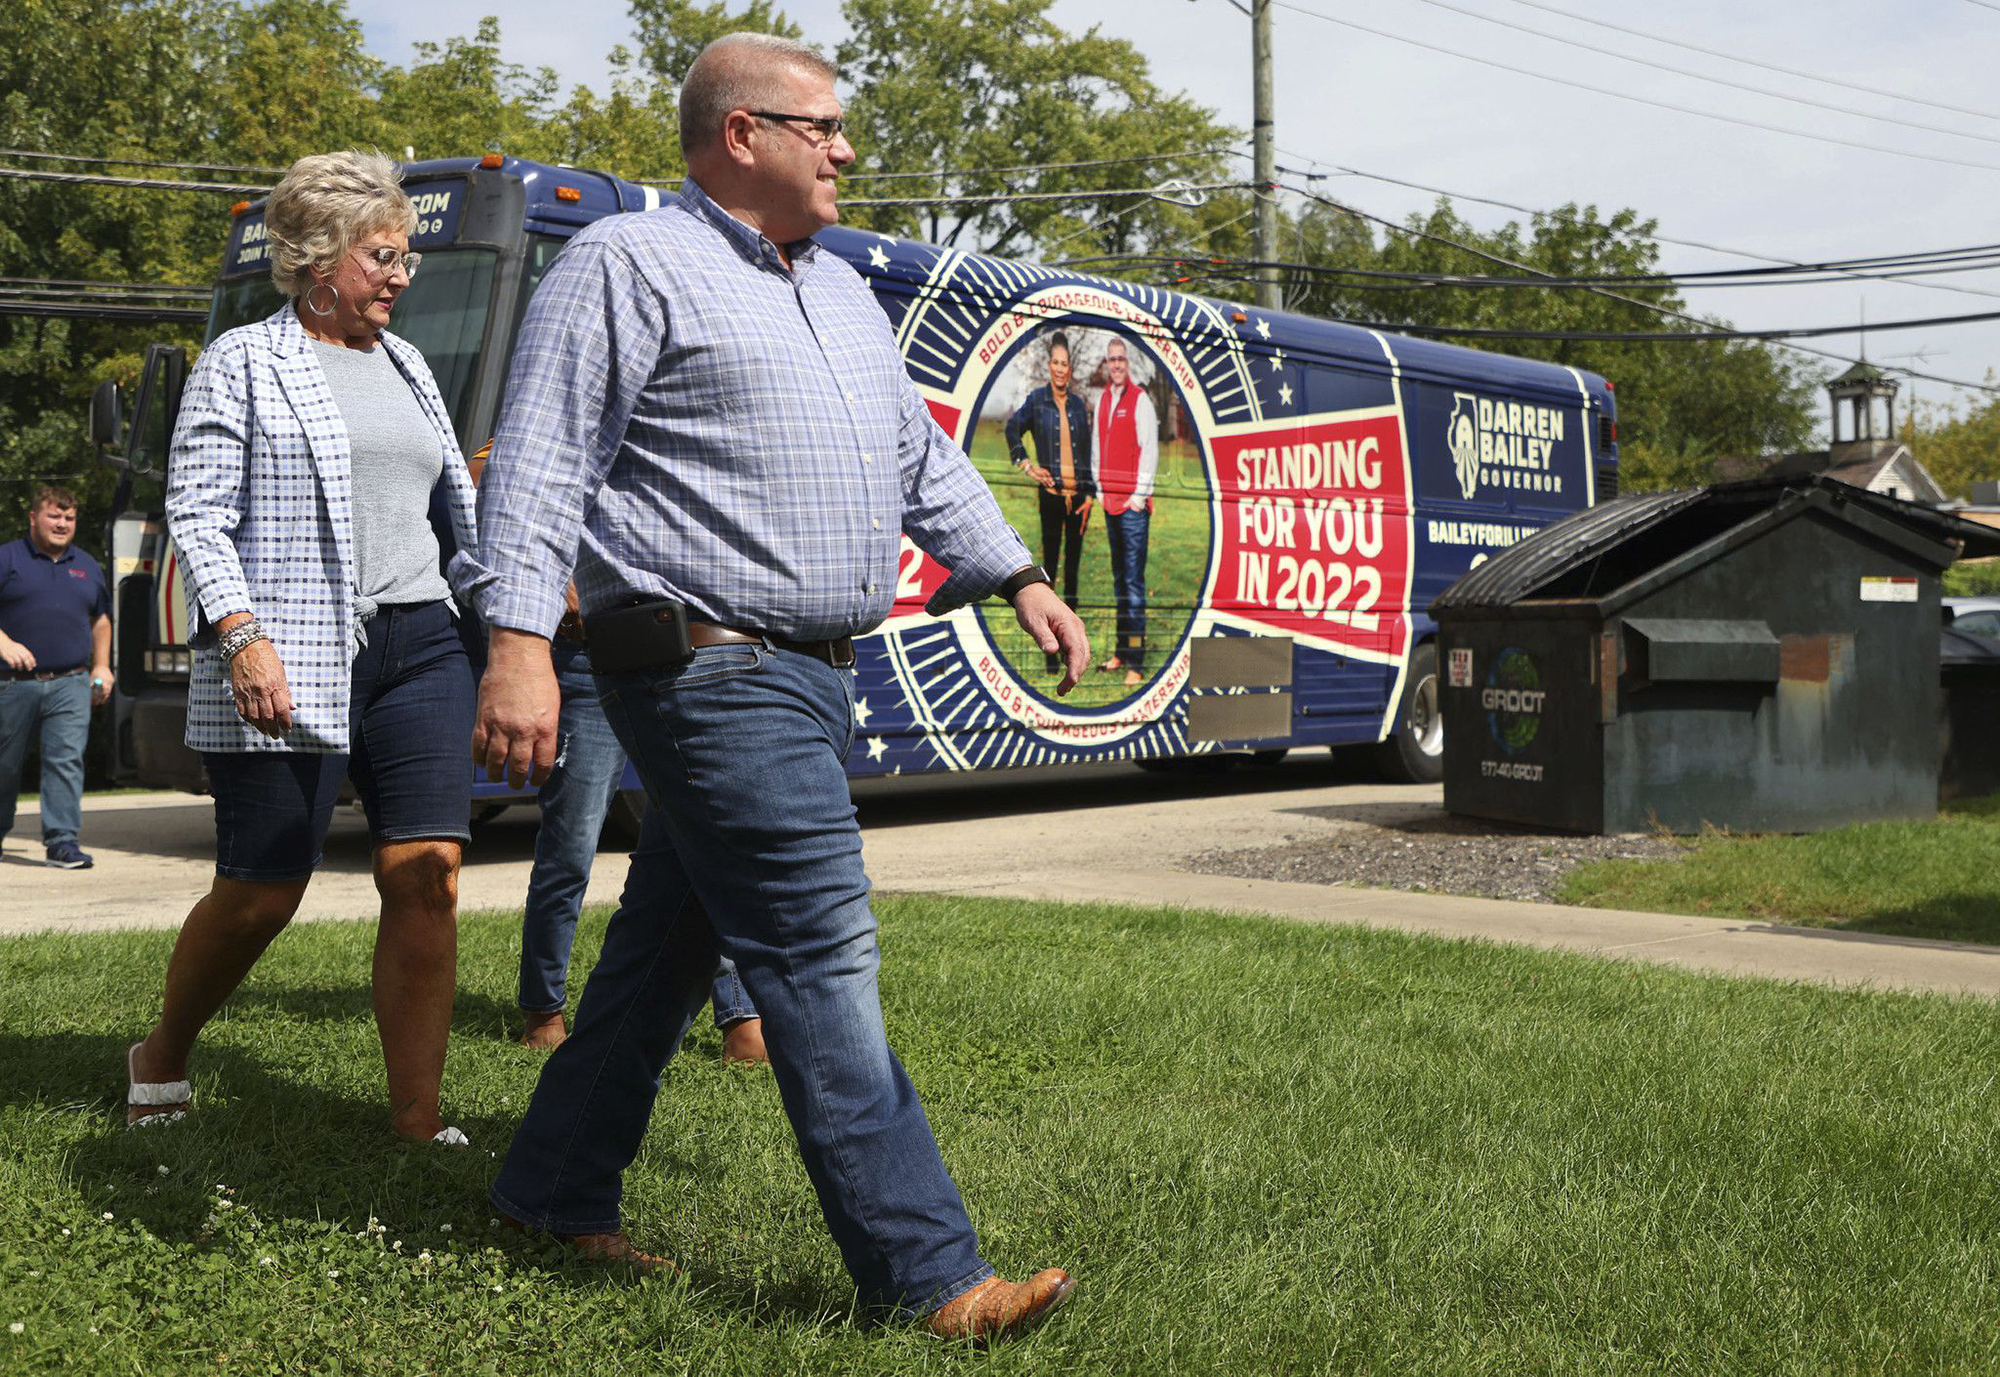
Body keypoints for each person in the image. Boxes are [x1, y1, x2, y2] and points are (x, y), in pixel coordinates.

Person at [465, 33, 1085, 1344]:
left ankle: (549, 1187)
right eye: (826, 127)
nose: (848, 149)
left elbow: (920, 464)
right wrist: (520, 640)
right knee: (817, 945)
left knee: (662, 952)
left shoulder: (846, 292)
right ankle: (928, 1274)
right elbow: (542, 457)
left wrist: (1018, 573)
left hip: (811, 676)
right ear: (739, 135)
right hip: (706, 666)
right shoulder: (627, 261)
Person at [123, 151, 481, 1147]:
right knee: (261, 891)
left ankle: (416, 1120)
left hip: (420, 639)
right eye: (383, 256)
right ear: (319, 259)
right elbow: (196, 510)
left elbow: (448, 509)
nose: (402, 275)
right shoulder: (244, 360)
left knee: (428, 872)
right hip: (290, 645)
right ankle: (163, 1051)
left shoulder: (408, 364)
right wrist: (243, 636)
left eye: (404, 255)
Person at [466, 443, 768, 1061]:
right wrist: (555, 588)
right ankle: (543, 1008)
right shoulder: (534, 437)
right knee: (572, 845)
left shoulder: (669, 432)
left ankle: (741, 1017)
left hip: (688, 652)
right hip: (585, 659)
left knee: (715, 837)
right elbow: (471, 489)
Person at [0, 485, 113, 869]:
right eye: (54, 515)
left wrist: (102, 666)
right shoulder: (8, 558)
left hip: (71, 682)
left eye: (69, 517)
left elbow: (100, 620)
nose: (62, 523)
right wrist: (4, 643)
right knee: (5, 765)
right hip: (12, 685)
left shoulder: (87, 564)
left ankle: (62, 841)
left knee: (65, 762)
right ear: (33, 518)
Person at [1004, 333, 1094, 673]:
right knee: (1051, 574)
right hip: (1051, 499)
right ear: (1050, 366)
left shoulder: (1078, 405)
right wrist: (1027, 465)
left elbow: (1085, 454)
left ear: (1070, 368)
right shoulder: (1037, 401)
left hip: (1078, 501)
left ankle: (1075, 650)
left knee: (1073, 576)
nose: (1060, 369)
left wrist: (1090, 497)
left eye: (1065, 363)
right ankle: (1051, 651)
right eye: (1055, 363)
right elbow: (1012, 430)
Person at [1092, 338, 1159, 689]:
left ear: (1127, 362)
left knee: (1134, 586)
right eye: (1111, 359)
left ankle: (1136, 662)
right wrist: (1101, 491)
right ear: (1106, 364)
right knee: (1120, 583)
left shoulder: (1140, 400)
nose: (1116, 365)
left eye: (1120, 359)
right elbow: (1096, 450)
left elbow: (1149, 452)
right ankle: (1120, 652)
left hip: (1132, 510)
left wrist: (1137, 497)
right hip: (1110, 505)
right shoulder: (1103, 399)